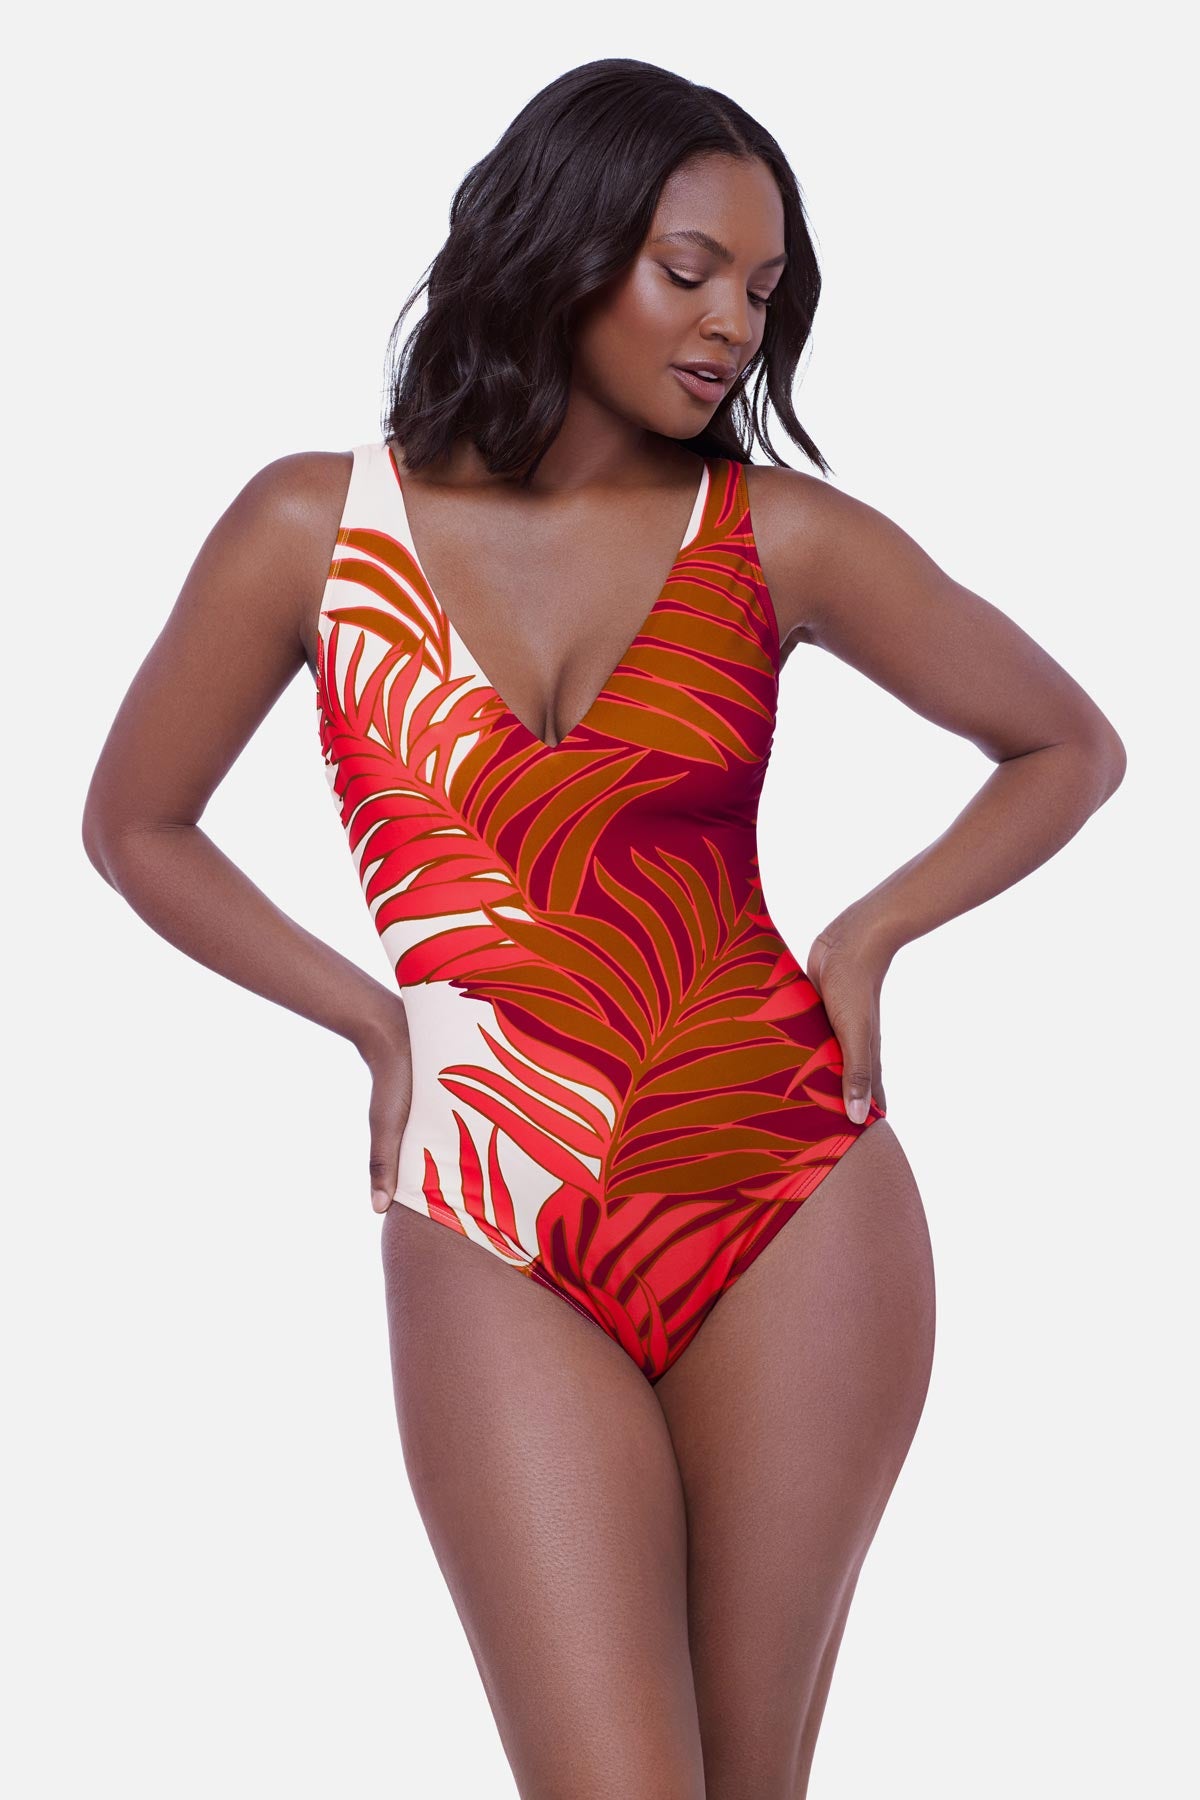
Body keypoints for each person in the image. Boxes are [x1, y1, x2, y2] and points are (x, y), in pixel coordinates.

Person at [81, 56, 1126, 1800]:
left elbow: (1068, 746)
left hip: (789, 1191)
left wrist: (866, 939)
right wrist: (373, 1019)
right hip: (487, 1208)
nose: (732, 326)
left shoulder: (778, 534)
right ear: (561, 245)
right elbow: (134, 824)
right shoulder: (308, 526)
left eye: (763, 292)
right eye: (688, 269)